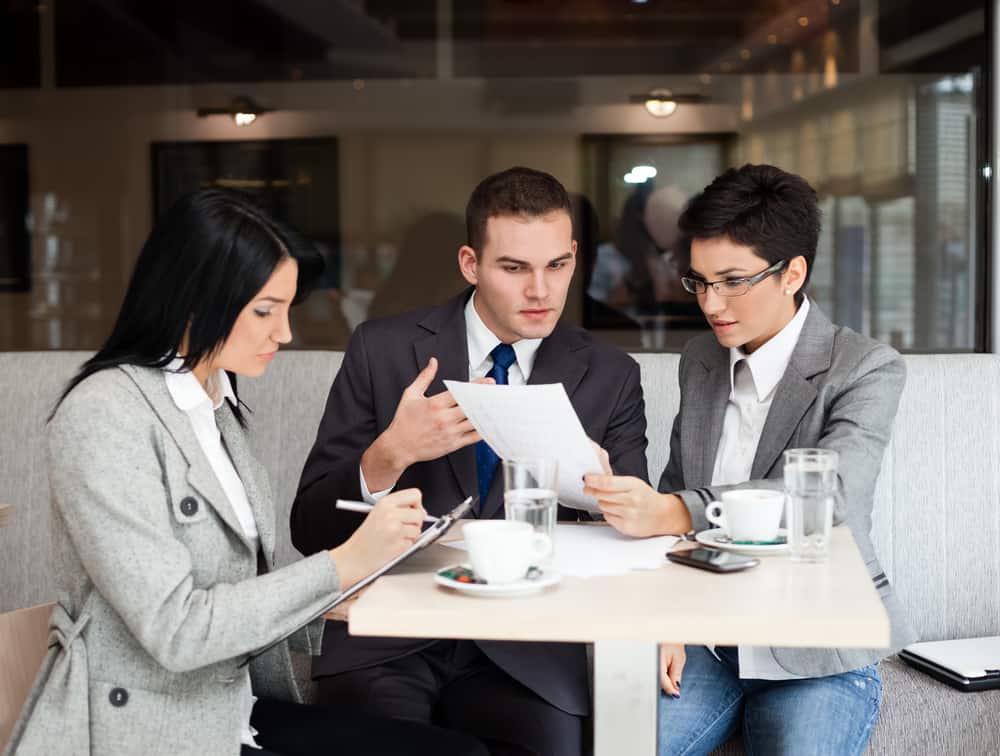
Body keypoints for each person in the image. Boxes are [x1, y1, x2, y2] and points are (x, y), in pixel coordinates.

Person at [5, 189, 488, 756]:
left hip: (230, 712)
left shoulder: (217, 405)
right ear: (195, 298)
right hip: (147, 730)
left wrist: (350, 599)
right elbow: (178, 631)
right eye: (264, 311)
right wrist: (341, 565)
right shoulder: (103, 414)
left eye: (286, 310)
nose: (283, 333)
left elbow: (236, 596)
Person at [291, 166, 650, 756]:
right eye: (515, 269)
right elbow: (308, 531)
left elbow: (638, 543)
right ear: (470, 264)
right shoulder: (382, 350)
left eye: (557, 266)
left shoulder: (611, 376)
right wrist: (389, 455)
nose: (541, 291)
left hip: (532, 649)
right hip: (392, 638)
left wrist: (606, 494)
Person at [583, 164, 917, 756]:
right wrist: (664, 621)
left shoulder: (865, 367)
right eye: (699, 282)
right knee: (622, 746)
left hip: (815, 649)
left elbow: (828, 498)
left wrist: (677, 512)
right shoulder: (702, 360)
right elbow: (676, 488)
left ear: (793, 273)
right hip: (710, 640)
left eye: (733, 281)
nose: (712, 304)